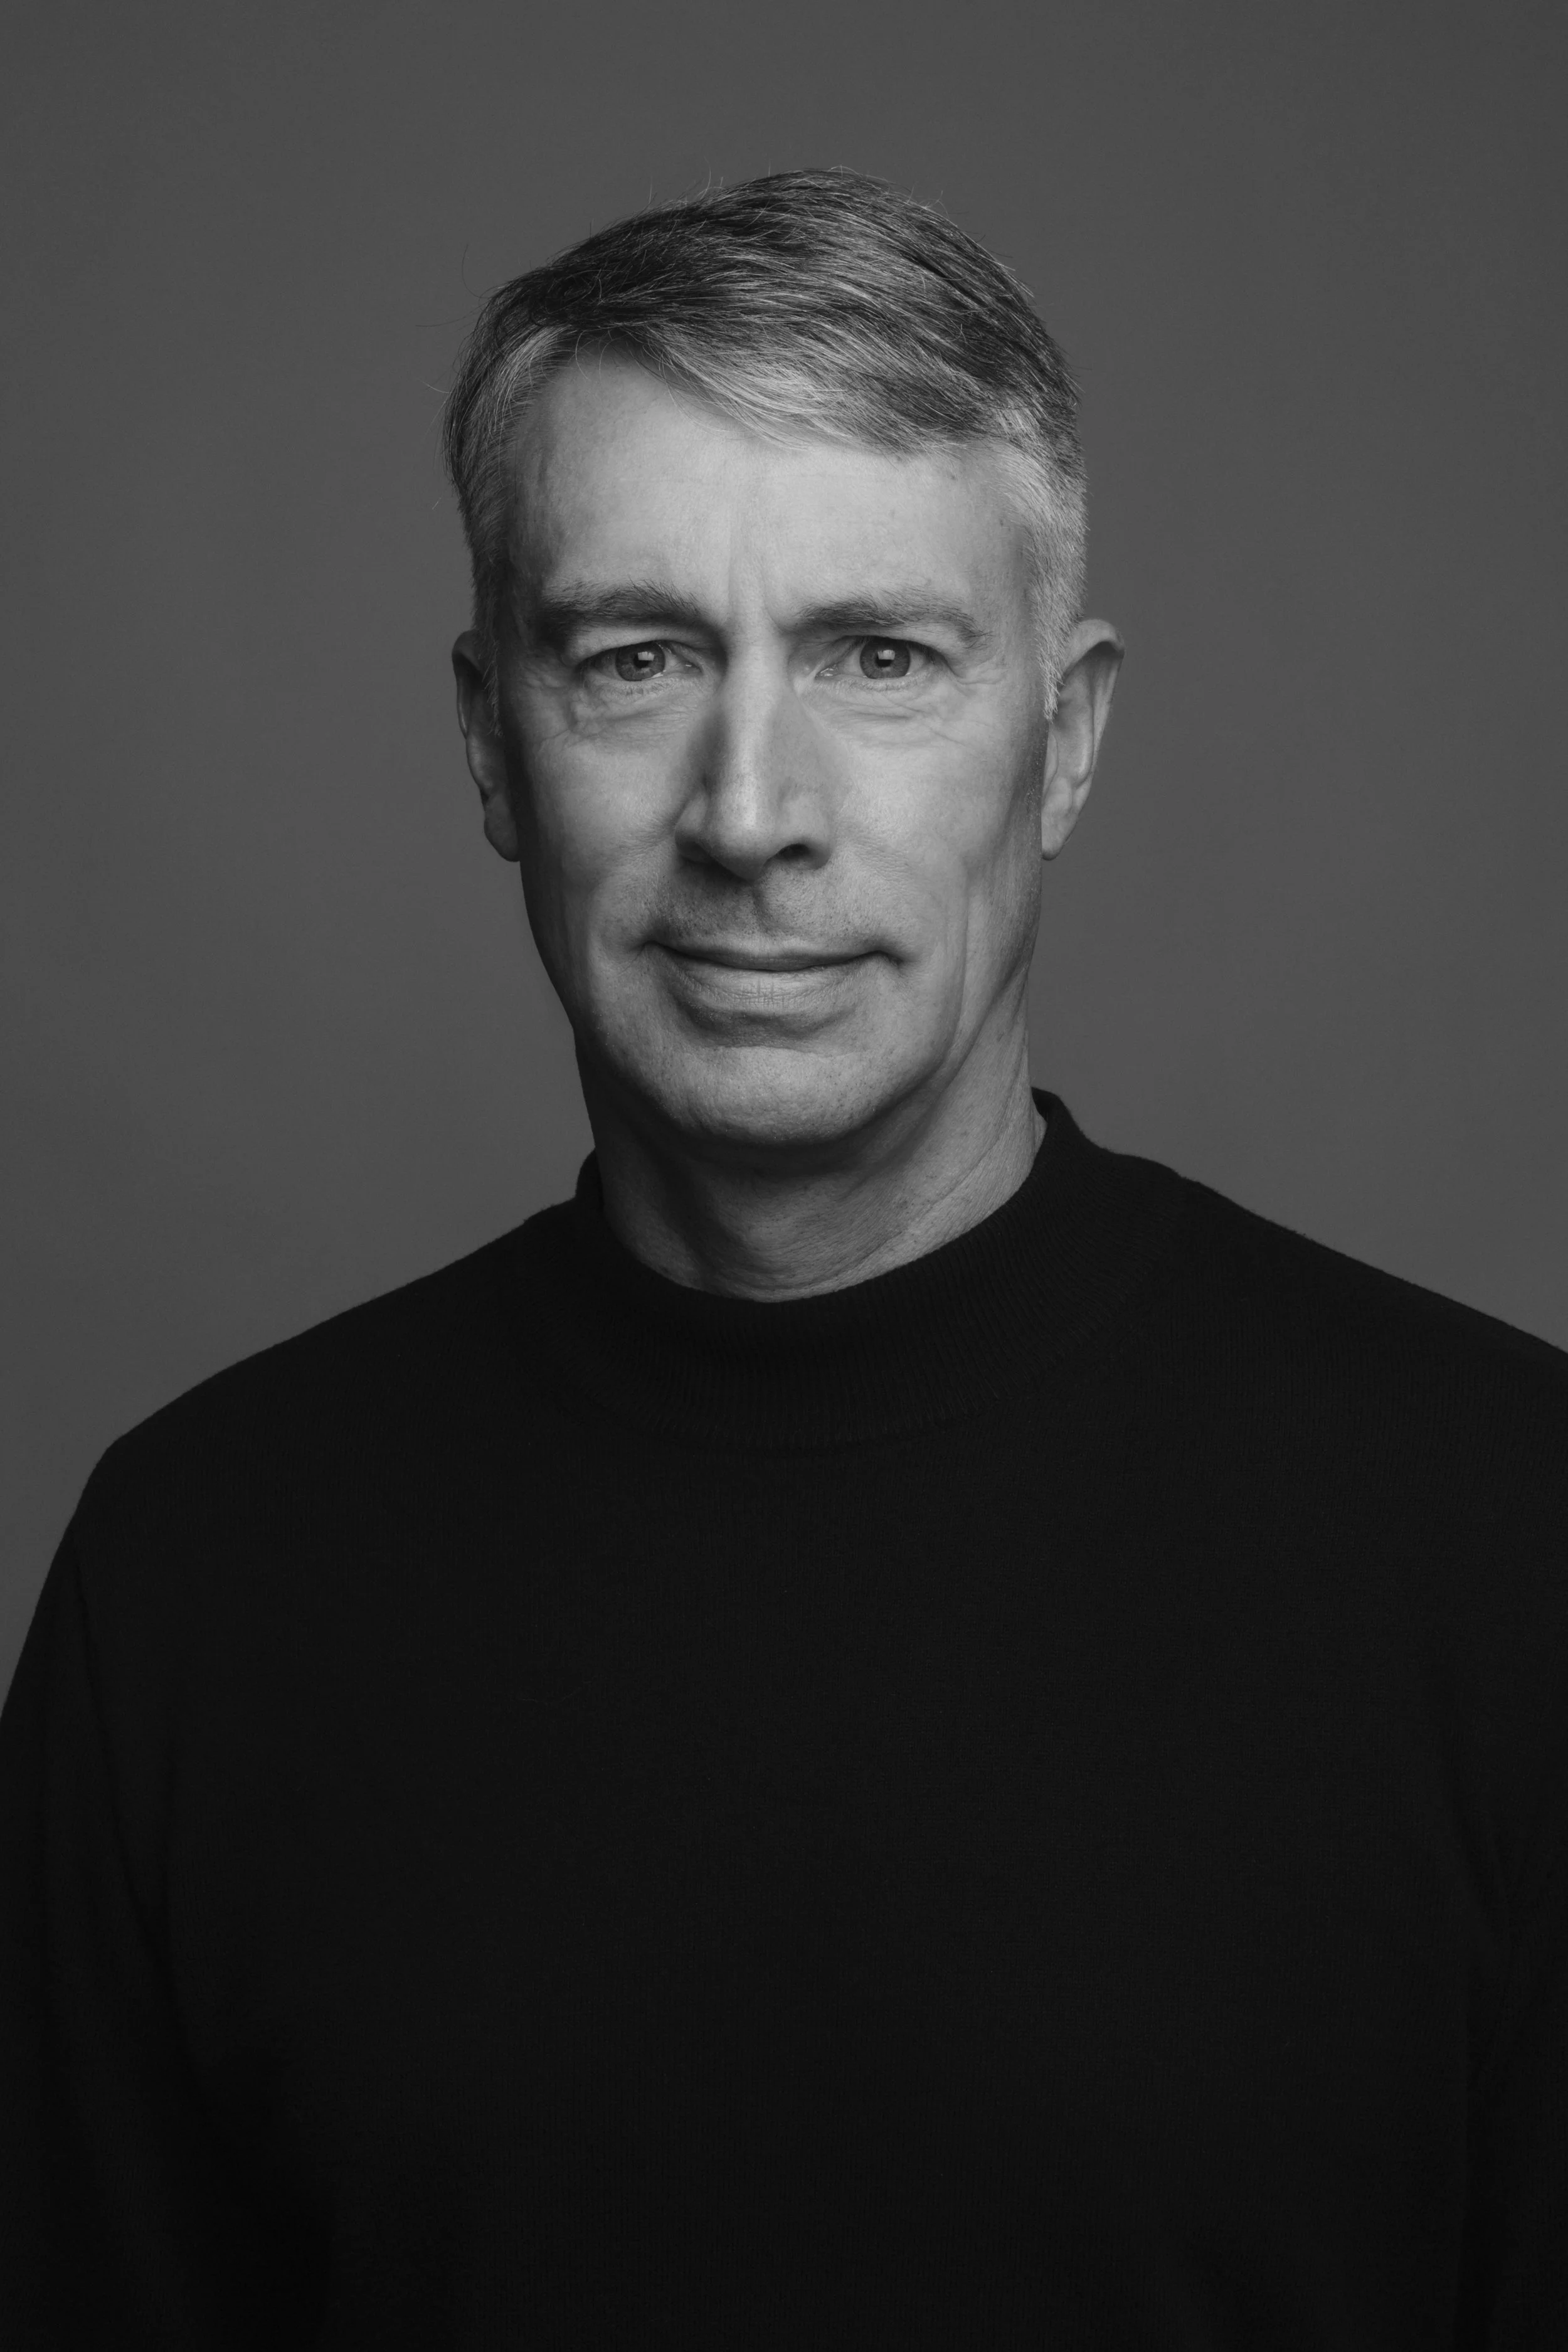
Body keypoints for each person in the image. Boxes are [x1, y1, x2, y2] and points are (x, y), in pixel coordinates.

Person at [1, 167, 1563, 2349]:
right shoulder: (194, 1578)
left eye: (881, 657)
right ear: (488, 746)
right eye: (634, 658)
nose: (752, 809)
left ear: (1068, 739)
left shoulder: (1510, 1539)